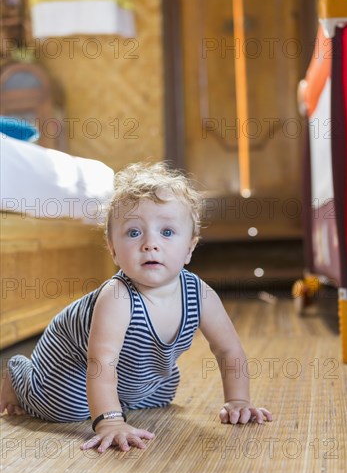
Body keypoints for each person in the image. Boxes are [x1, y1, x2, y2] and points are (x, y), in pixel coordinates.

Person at [0, 162, 272, 453]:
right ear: (113, 250)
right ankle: (19, 378)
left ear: (190, 248)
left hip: (133, 375)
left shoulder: (199, 294)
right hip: (72, 369)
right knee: (64, 408)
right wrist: (110, 421)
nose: (150, 244)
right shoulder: (117, 296)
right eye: (133, 233)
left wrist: (239, 401)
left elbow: (228, 350)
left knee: (164, 392)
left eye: (167, 232)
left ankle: (119, 398)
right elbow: (101, 364)